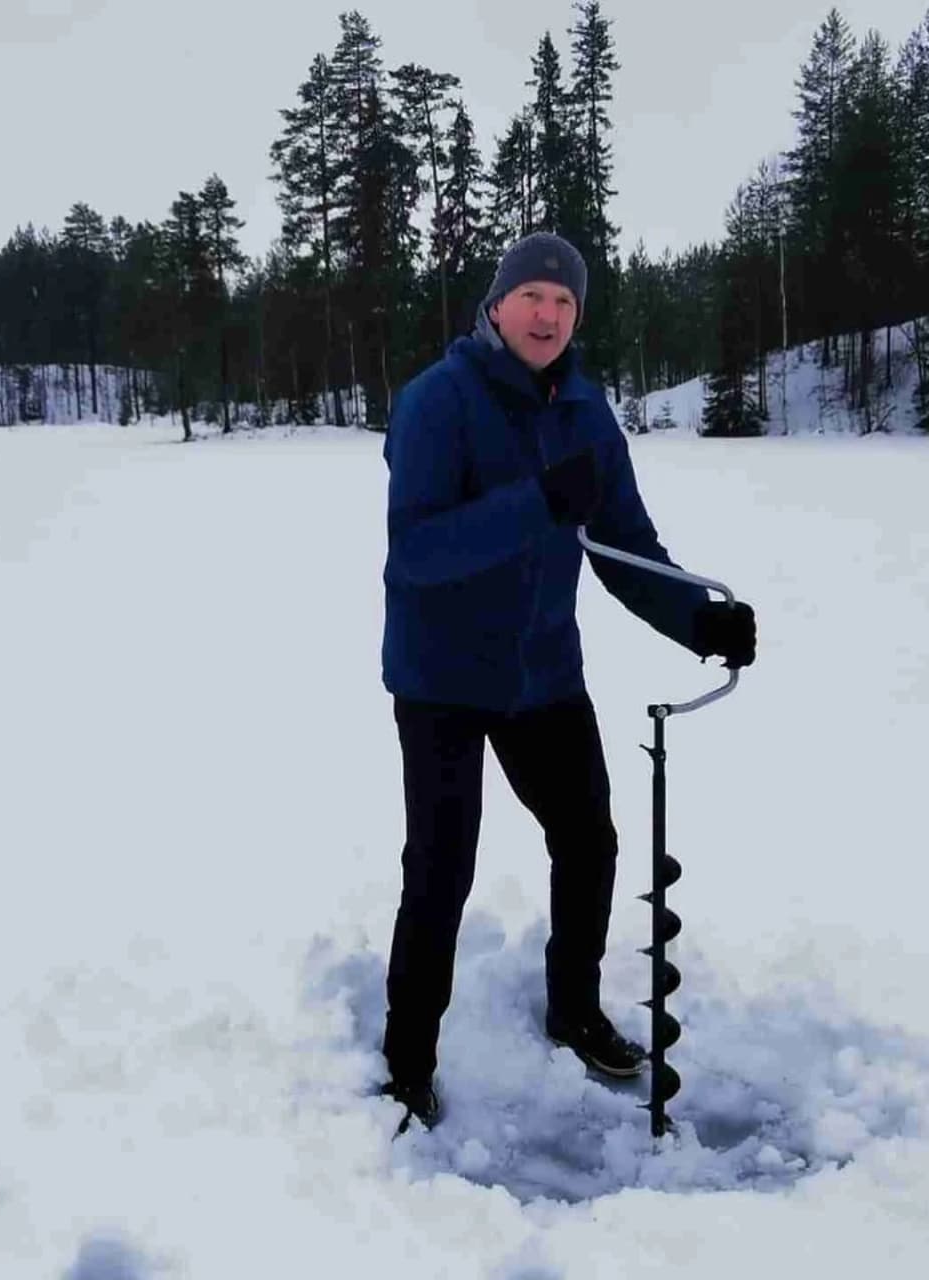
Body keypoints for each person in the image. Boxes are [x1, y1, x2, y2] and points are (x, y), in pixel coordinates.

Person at [378, 231, 756, 1134]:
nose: (547, 315)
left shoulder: (586, 412)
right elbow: (419, 551)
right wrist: (538, 501)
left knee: (588, 842)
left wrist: (697, 616)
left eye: (565, 302)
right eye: (532, 297)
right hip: (440, 677)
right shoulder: (437, 402)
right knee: (440, 868)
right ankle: (407, 1061)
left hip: (544, 672)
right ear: (497, 305)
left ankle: (575, 1007)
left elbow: (626, 548)